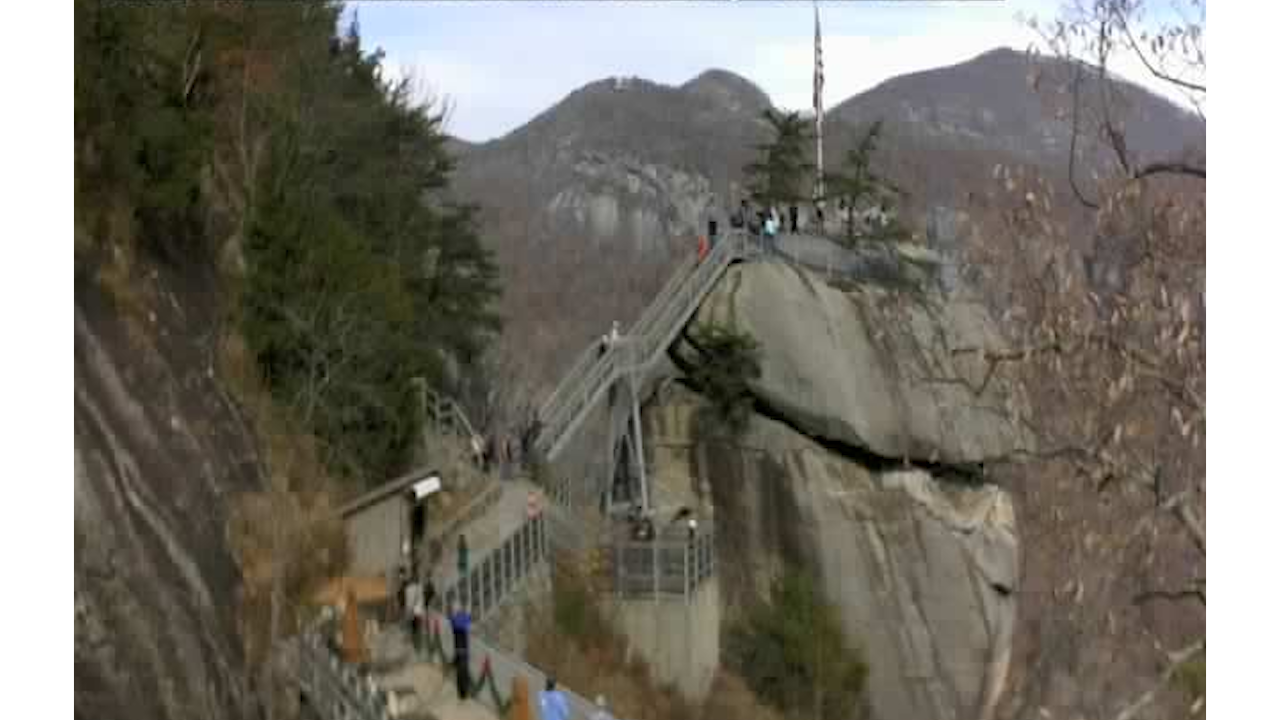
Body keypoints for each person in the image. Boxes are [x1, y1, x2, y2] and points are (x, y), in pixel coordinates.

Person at [450, 602, 473, 699]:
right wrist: (467, 613)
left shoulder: (455, 618)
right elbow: (466, 624)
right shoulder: (456, 620)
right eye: (457, 608)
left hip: (459, 649)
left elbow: (466, 623)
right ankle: (463, 693)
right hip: (462, 650)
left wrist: (466, 613)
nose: (458, 609)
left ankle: (462, 693)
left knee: (461, 673)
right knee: (462, 672)